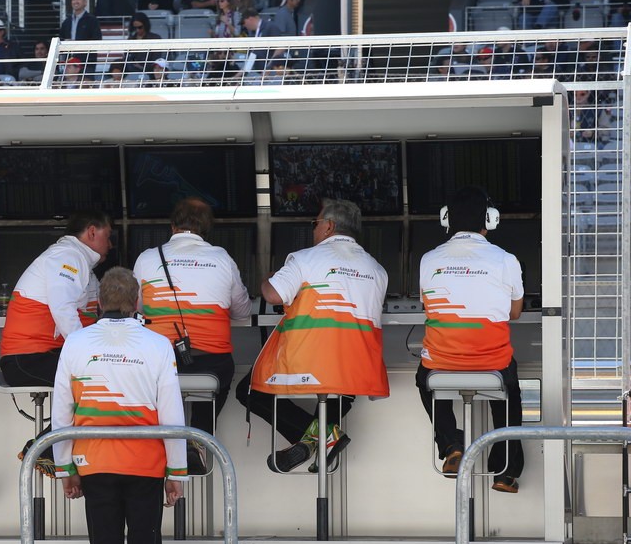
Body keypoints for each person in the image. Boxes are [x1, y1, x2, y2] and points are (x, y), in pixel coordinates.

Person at [51, 266, 186, 544]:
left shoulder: (75, 342)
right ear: (137, 302)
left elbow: (63, 411)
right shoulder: (158, 344)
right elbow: (171, 413)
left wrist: (66, 469)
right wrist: (176, 472)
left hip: (94, 462)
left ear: (97, 303)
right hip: (146, 465)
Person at [235, 198, 388, 473]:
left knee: (249, 393)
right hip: (359, 368)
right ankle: (321, 438)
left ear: (328, 226)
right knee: (341, 390)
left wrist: (268, 277)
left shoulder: (304, 258)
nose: (314, 229)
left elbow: (273, 295)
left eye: (315, 223)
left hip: (309, 360)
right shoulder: (378, 269)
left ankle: (311, 439)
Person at [416, 187, 525, 494]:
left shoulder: (428, 259)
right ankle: (505, 471)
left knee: (424, 380)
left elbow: (428, 306)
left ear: (446, 220)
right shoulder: (506, 260)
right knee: (510, 393)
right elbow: (514, 313)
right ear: (490, 220)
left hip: (440, 366)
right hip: (493, 365)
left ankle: (451, 443)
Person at [133, 198, 251, 453]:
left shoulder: (147, 258)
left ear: (172, 226)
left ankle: (161, 448)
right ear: (206, 228)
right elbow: (242, 312)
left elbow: (137, 308)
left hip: (159, 365)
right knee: (220, 373)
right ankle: (199, 438)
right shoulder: (222, 258)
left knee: (151, 392)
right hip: (211, 363)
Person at [0, 210, 112, 388]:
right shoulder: (67, 257)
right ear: (92, 232)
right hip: (29, 360)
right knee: (108, 374)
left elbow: (105, 310)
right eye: (108, 236)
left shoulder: (79, 262)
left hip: (43, 355)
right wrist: (87, 353)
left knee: (115, 366)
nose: (111, 244)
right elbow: (63, 310)